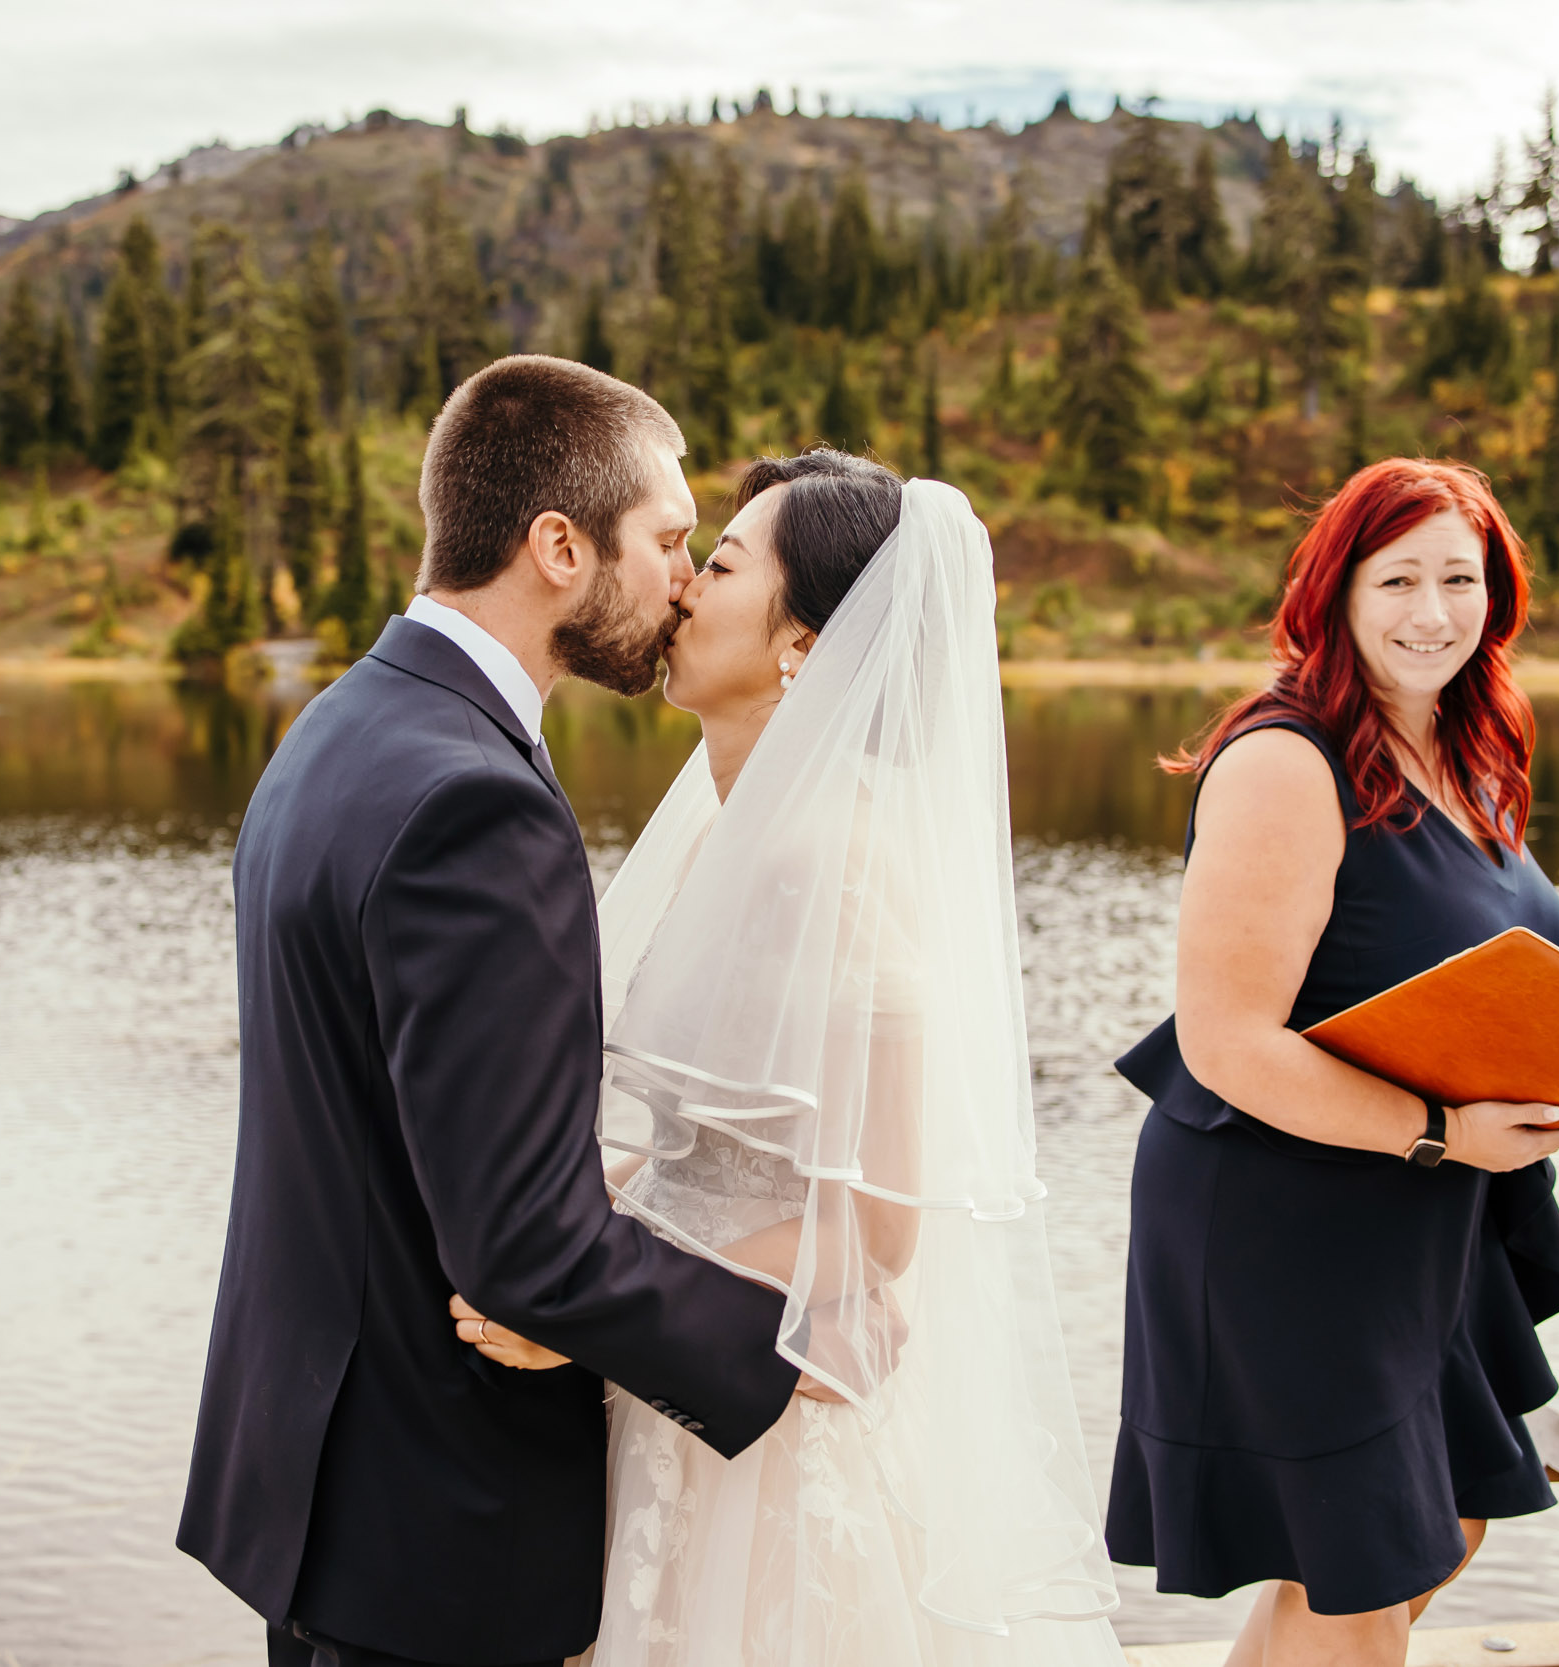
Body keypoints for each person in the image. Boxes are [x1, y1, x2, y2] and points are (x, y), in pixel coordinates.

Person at [177, 356, 811, 1667]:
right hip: (436, 1531)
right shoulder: (480, 806)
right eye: (671, 539)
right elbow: (521, 1246)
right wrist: (794, 1341)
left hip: (320, 1495)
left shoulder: (338, 731)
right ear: (561, 547)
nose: (684, 579)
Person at [456, 452, 1129, 1665]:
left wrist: (587, 1295)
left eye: (716, 565)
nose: (677, 589)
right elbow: (701, 1149)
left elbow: (873, 1229)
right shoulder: (728, 827)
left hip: (765, 1432)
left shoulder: (833, 857)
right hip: (681, 1380)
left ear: (805, 644)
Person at [1104, 459, 1559, 1667]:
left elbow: (1446, 931)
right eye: (1397, 577)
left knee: (1438, 1520)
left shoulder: (1464, 749)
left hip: (1416, 1218)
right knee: (1363, 1575)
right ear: (1334, 590)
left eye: (1461, 578)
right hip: (1284, 1214)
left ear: (1495, 596)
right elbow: (1225, 1038)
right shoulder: (1284, 761)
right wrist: (1444, 1133)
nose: (1431, 610)